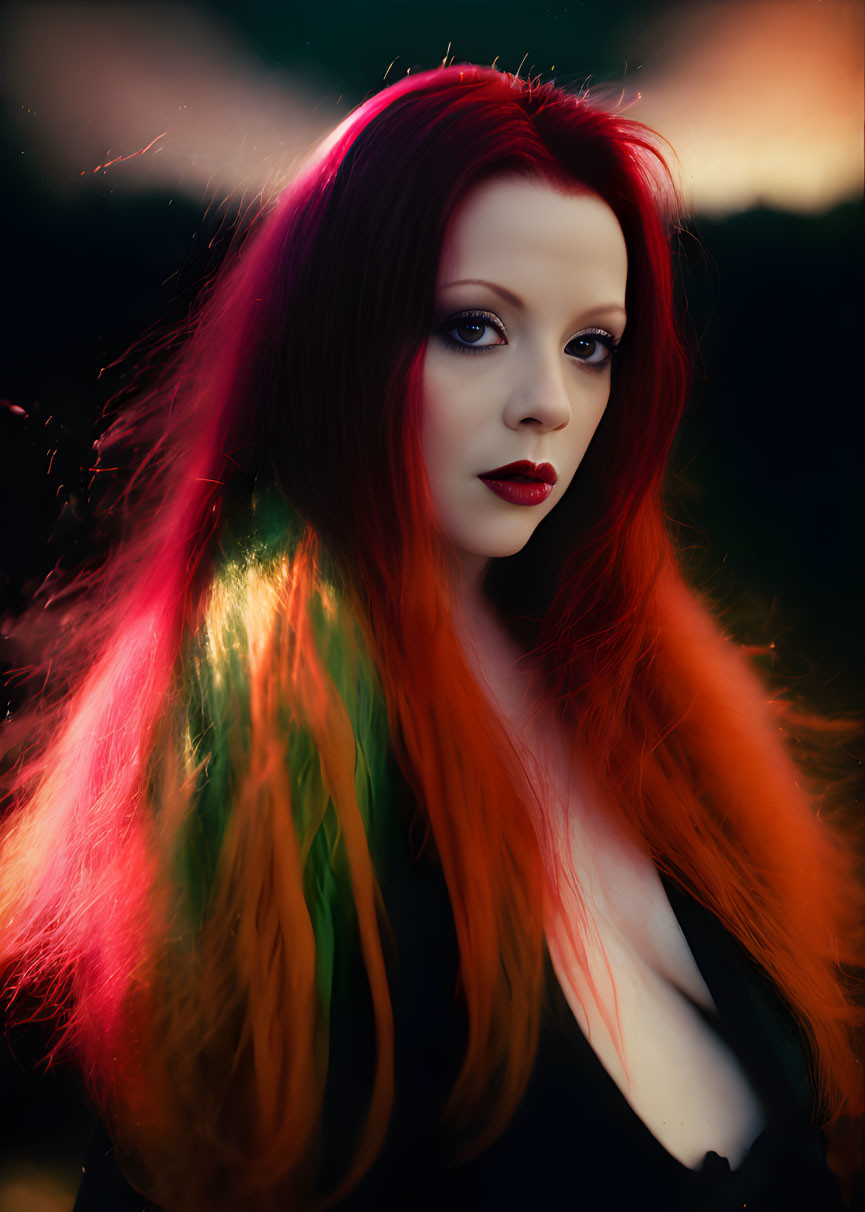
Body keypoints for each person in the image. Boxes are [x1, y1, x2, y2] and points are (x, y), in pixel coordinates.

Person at [0, 63, 862, 1212]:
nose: (546, 401)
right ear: (338, 344)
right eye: (473, 327)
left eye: (590, 345)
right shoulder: (268, 789)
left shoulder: (648, 716)